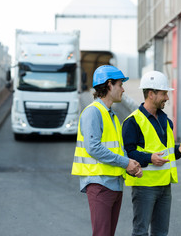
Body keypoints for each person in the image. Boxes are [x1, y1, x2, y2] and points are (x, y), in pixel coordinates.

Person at [71, 65, 142, 236]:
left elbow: (119, 149)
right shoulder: (93, 113)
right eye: (120, 84)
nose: (123, 89)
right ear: (109, 85)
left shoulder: (112, 116)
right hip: (100, 184)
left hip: (113, 184)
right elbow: (93, 147)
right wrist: (126, 162)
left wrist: (131, 166)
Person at [122, 70, 181, 236]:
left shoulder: (166, 121)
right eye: (164, 93)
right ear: (151, 94)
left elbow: (163, 151)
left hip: (164, 185)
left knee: (161, 233)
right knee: (141, 232)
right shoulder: (132, 122)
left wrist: (177, 151)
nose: (167, 98)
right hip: (144, 186)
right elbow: (127, 153)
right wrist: (150, 158)